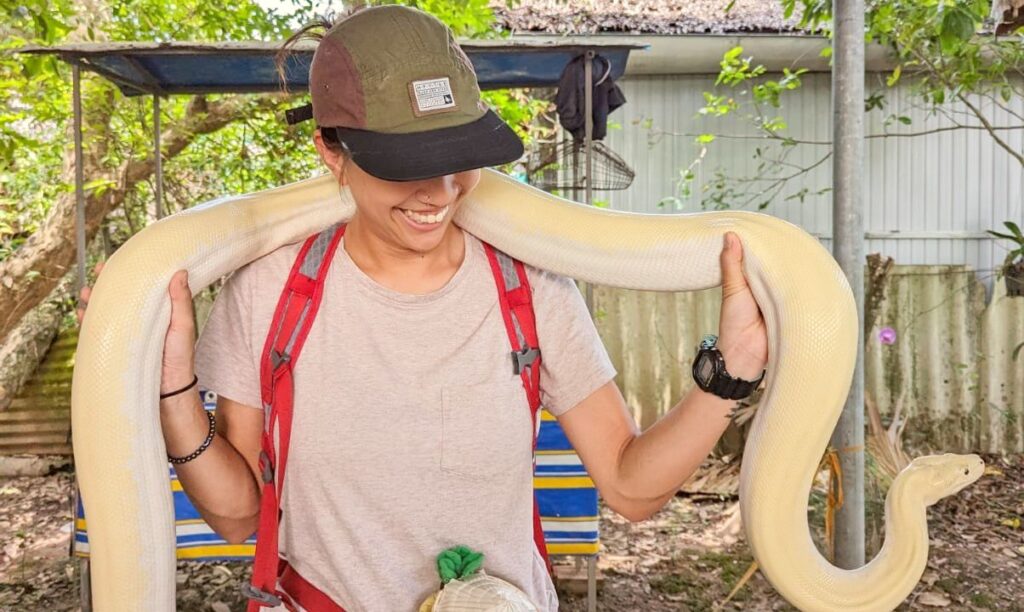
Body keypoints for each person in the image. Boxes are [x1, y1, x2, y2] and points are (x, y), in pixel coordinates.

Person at [78, 6, 767, 611]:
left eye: (460, 155)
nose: (439, 192)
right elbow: (237, 519)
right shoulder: (270, 288)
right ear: (330, 150)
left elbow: (630, 487)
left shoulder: (528, 286)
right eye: (406, 162)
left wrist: (729, 374)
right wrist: (171, 386)